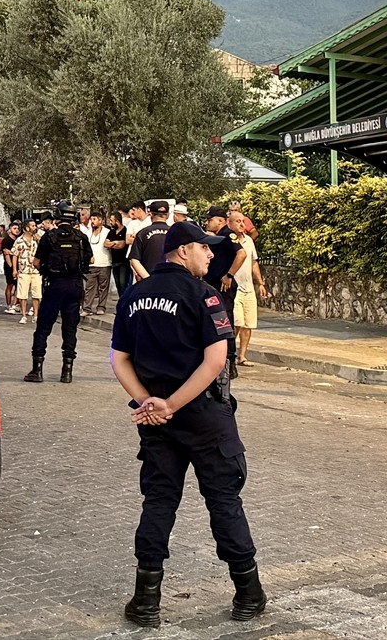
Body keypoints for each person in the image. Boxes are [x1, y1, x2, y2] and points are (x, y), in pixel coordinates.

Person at [109, 220, 266, 627]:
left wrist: (150, 404)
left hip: (157, 419)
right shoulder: (205, 297)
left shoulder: (132, 295)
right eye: (205, 248)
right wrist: (172, 405)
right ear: (182, 251)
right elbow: (215, 362)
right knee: (224, 501)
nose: (212, 255)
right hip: (202, 416)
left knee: (159, 501)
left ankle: (146, 602)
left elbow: (119, 360)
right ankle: (248, 595)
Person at [24, 201, 91, 384]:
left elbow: (36, 262)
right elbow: (90, 259)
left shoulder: (49, 236)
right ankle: (66, 371)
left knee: (43, 327)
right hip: (75, 285)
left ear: (58, 215)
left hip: (54, 285)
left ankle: (37, 370)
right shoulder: (80, 237)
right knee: (70, 328)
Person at [203, 207, 248, 378]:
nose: (207, 223)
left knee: (224, 323)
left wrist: (229, 275)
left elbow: (241, 254)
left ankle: (229, 363)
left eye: (210, 219)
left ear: (220, 220)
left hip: (224, 287)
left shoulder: (228, 234)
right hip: (213, 285)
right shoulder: (218, 237)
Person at [231, 214, 266, 368]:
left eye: (242, 221)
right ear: (229, 223)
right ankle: (229, 352)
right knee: (237, 322)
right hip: (235, 287)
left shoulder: (249, 241)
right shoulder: (229, 241)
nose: (241, 224)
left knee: (248, 324)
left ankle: (242, 356)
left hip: (248, 287)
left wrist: (261, 283)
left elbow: (253, 262)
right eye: (237, 221)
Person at [130, 201, 172, 283]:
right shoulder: (176, 232)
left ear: (151, 214)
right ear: (167, 215)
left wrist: (148, 279)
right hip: (171, 281)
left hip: (148, 282)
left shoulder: (142, 233)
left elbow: (134, 259)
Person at [82, 211, 112, 316]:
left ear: (100, 221)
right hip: (91, 265)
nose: (92, 222)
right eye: (91, 219)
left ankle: (101, 307)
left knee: (103, 287)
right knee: (89, 287)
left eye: (94, 219)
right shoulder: (87, 233)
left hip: (105, 264)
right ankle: (87, 308)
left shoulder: (107, 232)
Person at [14, 220, 43, 325]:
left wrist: (40, 240)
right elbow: (15, 254)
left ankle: (35, 315)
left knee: (36, 294)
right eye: (32, 226)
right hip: (24, 270)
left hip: (36, 270)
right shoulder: (19, 240)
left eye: (35, 225)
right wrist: (14, 269)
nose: (35, 227)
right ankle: (24, 315)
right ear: (26, 228)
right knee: (23, 294)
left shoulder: (37, 239)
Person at [106, 212, 130, 297]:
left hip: (123, 262)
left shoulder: (125, 231)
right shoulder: (111, 232)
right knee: (118, 285)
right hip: (114, 262)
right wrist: (115, 243)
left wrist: (112, 244)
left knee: (123, 283)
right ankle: (121, 301)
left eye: (112, 220)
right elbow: (105, 244)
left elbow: (123, 244)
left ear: (117, 220)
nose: (110, 222)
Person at [1, 221, 21, 314]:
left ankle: (15, 304)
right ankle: (8, 304)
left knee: (18, 285)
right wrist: (11, 266)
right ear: (10, 229)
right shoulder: (6, 240)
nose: (16, 230)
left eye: (17, 228)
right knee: (10, 284)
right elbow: (6, 253)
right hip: (10, 265)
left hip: (19, 264)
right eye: (14, 228)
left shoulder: (19, 240)